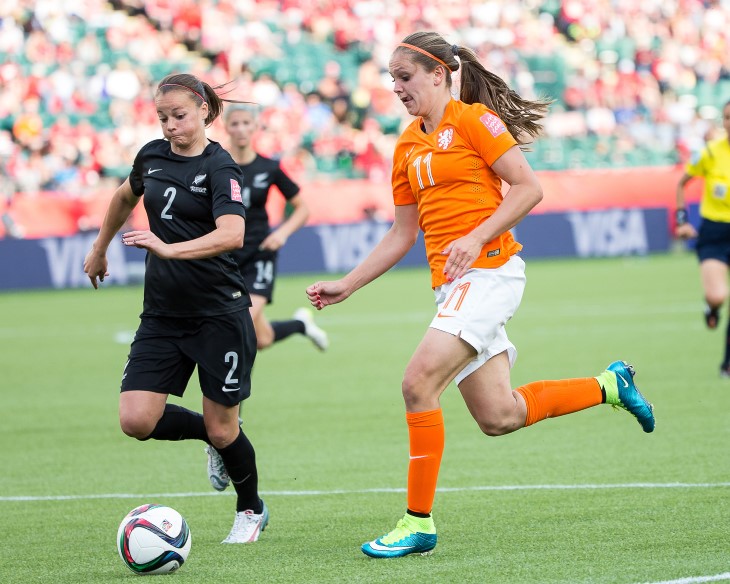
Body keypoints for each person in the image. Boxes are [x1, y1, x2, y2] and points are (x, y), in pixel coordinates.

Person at [305, 32, 656, 559]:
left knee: (417, 383)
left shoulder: (474, 122)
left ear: (439, 75)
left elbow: (528, 188)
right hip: (454, 288)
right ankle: (609, 385)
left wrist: (475, 236)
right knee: (500, 416)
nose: (397, 88)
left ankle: (417, 522)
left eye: (405, 77)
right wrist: (347, 284)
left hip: (490, 274)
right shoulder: (406, 145)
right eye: (392, 79)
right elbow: (403, 234)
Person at [83, 73, 268, 544]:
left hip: (218, 314)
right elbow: (126, 195)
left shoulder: (221, 167)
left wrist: (168, 250)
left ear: (204, 110)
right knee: (136, 421)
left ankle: (251, 509)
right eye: (162, 117)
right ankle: (209, 436)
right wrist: (101, 247)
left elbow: (232, 234)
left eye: (179, 116)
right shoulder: (152, 155)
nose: (169, 126)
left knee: (226, 430)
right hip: (163, 313)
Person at [223, 103, 328, 353]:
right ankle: (301, 324)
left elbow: (302, 209)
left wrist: (281, 233)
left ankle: (231, 389)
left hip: (259, 252)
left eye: (246, 123)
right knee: (263, 339)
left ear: (256, 127)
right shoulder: (217, 166)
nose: (240, 129)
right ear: (225, 127)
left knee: (241, 321)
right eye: (235, 123)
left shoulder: (268, 167)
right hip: (226, 256)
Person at [676, 100, 730, 376]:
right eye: (727, 118)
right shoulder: (710, 152)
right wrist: (682, 221)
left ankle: (727, 364)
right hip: (716, 233)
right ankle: (711, 307)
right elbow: (682, 183)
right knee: (718, 295)